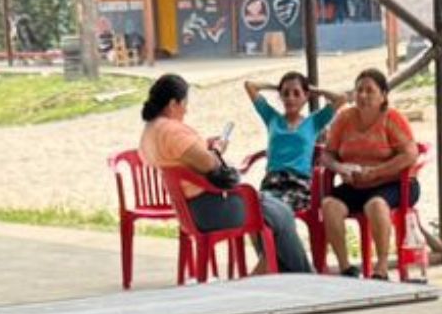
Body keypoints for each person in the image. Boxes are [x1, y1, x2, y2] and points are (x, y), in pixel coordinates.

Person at [138, 72, 308, 277]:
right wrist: (217, 150)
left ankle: (282, 271)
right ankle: (301, 275)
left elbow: (186, 158)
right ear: (173, 103)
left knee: (277, 213)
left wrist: (205, 147)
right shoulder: (171, 131)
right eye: (184, 104)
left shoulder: (150, 131)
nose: (186, 110)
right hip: (210, 208)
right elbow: (210, 164)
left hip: (189, 210)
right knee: (282, 213)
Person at [320, 69, 422, 279]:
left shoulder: (392, 118)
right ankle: (346, 268)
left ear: (383, 95)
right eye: (359, 90)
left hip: (395, 183)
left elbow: (410, 154)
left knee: (375, 205)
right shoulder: (344, 118)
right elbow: (327, 154)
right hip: (357, 183)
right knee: (329, 205)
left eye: (369, 90)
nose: (363, 95)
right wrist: (339, 168)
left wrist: (376, 172)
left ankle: (381, 268)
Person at [244, 69, 337, 220]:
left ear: (306, 96)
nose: (290, 98)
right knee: (256, 209)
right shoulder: (272, 118)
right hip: (272, 182)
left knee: (274, 210)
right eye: (286, 93)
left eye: (296, 93)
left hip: (298, 184)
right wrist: (277, 87)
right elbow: (250, 85)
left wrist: (313, 90)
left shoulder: (314, 122)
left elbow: (341, 98)